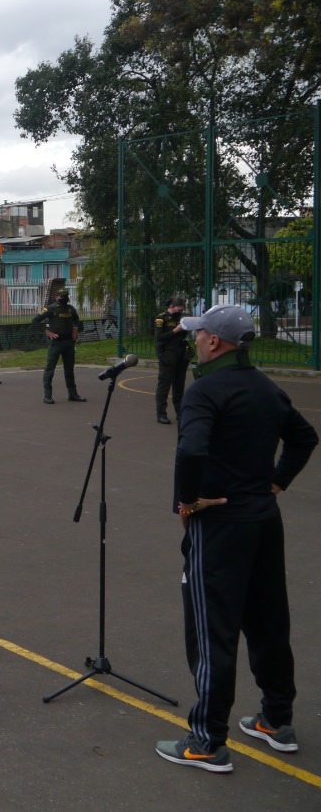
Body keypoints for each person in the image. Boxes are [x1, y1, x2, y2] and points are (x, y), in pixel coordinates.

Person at [155, 304, 316, 774]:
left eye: (197, 332)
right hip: (264, 521)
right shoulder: (264, 386)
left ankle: (206, 741)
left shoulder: (205, 391)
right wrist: (277, 481)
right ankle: (276, 719)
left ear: (213, 341)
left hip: (221, 524)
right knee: (268, 622)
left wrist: (187, 502)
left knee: (211, 632)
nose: (192, 338)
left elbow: (190, 448)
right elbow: (304, 437)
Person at [34, 289, 86, 404]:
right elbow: (36, 320)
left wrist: (75, 329)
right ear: (57, 297)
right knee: (50, 370)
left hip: (68, 342)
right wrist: (47, 331)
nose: (64, 298)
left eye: (66, 296)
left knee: (69, 370)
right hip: (56, 343)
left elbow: (76, 319)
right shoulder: (50, 308)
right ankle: (47, 396)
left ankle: (73, 394)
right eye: (62, 296)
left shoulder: (70, 309)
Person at [154, 297, 191, 425]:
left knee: (179, 386)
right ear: (171, 307)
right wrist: (176, 330)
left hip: (180, 355)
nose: (180, 312)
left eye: (182, 310)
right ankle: (161, 414)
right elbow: (159, 337)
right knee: (164, 385)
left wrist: (186, 328)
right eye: (178, 309)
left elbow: (183, 336)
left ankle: (180, 413)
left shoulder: (181, 319)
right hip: (167, 355)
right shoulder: (161, 318)